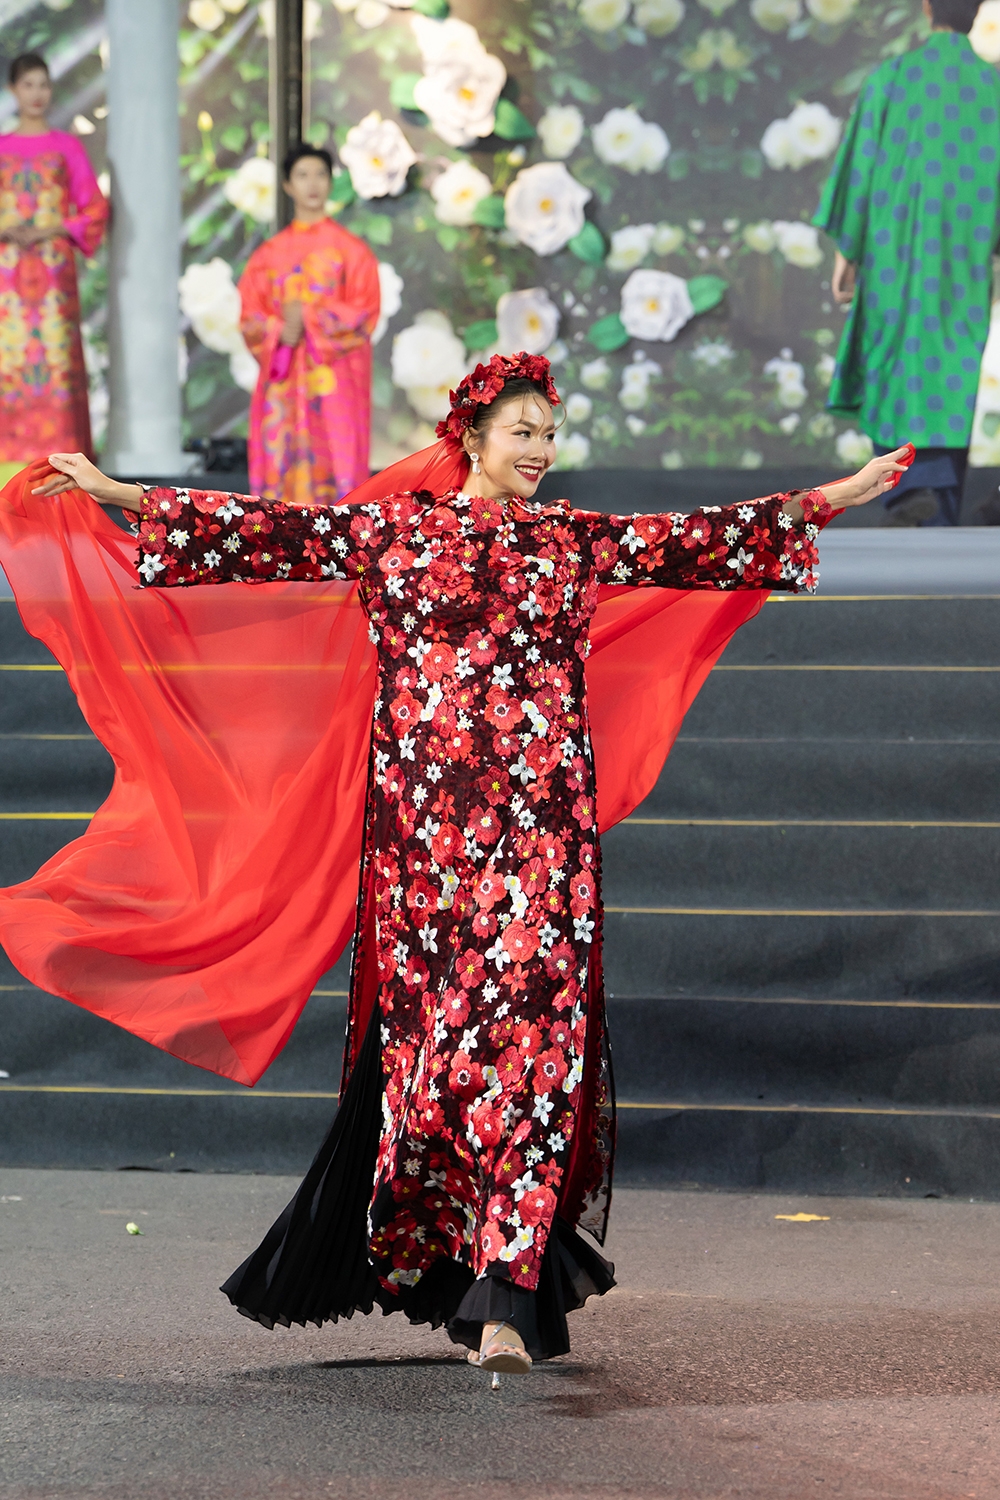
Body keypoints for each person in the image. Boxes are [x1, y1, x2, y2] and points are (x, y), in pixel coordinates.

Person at [14, 352, 908, 1377]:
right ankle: (436, 1250)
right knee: (437, 1060)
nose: (539, 450)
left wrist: (833, 496)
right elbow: (265, 531)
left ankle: (507, 1293)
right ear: (472, 440)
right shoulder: (393, 535)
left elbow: (700, 540)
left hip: (543, 839)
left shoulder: (572, 542)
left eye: (549, 434)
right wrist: (117, 493)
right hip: (424, 852)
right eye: (521, 431)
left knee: (535, 1045)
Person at [813, 0, 1000, 526]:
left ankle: (911, 490)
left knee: (896, 360)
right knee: (951, 363)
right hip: (962, 259)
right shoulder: (995, 89)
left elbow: (860, 172)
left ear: (925, 8)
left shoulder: (890, 79)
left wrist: (847, 254)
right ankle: (935, 497)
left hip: (895, 257)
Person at [238, 143, 381, 506]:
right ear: (287, 185)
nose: (312, 184)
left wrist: (310, 318)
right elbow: (250, 316)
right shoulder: (267, 256)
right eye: (302, 175)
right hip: (284, 385)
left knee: (338, 460)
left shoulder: (352, 251)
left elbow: (366, 311)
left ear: (331, 182)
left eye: (320, 174)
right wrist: (277, 329)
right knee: (281, 462)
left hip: (335, 384)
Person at [0, 52, 107, 465]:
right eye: (28, 85)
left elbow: (94, 210)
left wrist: (50, 229)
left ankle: (62, 468)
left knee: (55, 365)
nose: (37, 93)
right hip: (7, 279)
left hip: (52, 280)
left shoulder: (67, 149)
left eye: (43, 84)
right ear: (14, 90)